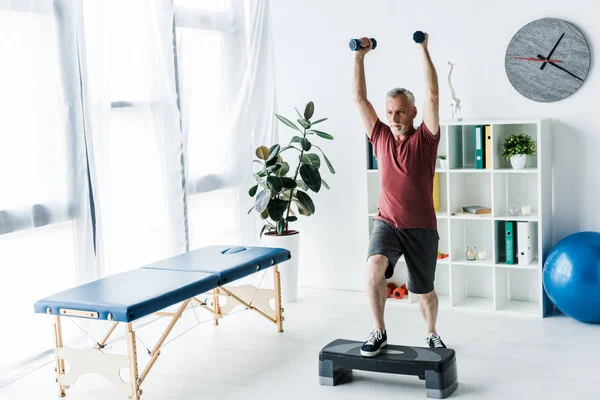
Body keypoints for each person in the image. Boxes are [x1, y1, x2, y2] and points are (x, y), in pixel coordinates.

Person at [352, 33, 446, 356]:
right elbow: (359, 100)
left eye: (400, 112)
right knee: (374, 269)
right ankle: (378, 330)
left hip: (421, 227)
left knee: (424, 293)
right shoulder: (379, 136)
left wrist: (423, 48)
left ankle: (431, 332)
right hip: (387, 222)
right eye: (390, 112)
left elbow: (433, 95)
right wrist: (359, 58)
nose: (393, 118)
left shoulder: (426, 140)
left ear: (413, 113)